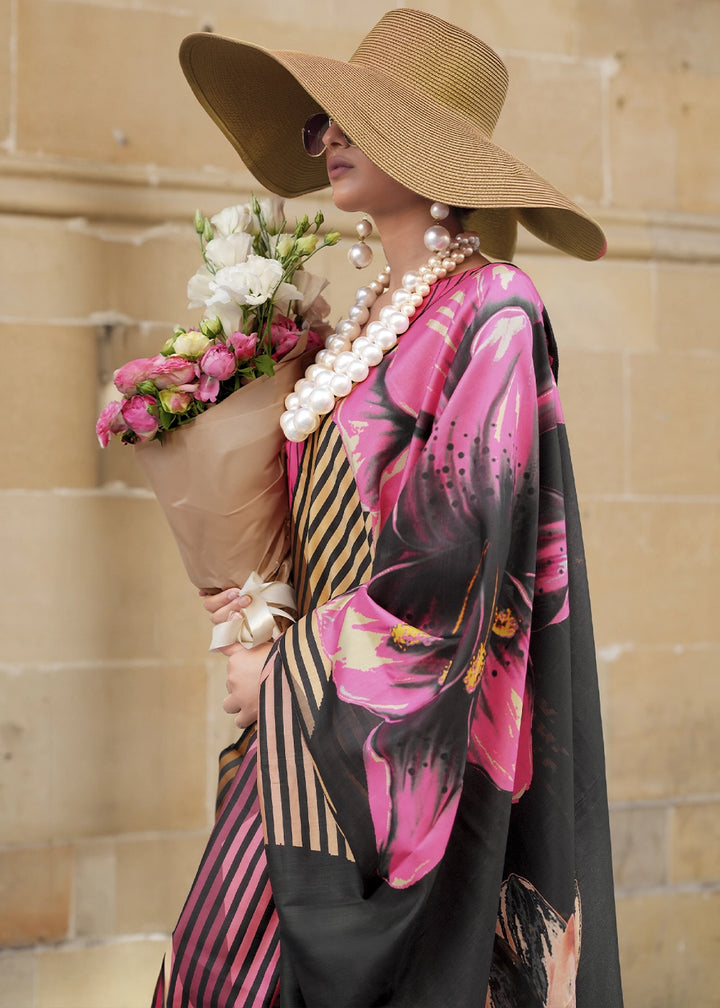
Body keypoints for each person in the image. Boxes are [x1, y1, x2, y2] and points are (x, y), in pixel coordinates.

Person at [156, 8, 624, 1007]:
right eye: (322, 118)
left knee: (234, 966)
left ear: (434, 151)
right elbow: (325, 509)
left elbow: (456, 562)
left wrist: (284, 671)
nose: (325, 135)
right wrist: (254, 594)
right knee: (209, 966)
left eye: (356, 119)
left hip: (392, 742)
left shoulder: (496, 309)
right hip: (307, 725)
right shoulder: (357, 316)